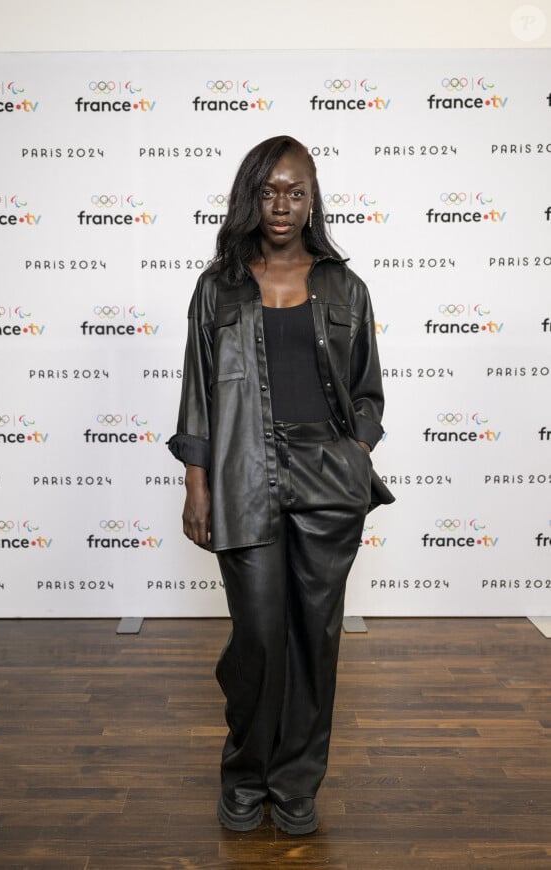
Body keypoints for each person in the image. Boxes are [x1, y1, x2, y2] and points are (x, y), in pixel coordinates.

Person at [168, 135, 394, 836]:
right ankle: (246, 770)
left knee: (314, 637)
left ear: (312, 199)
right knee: (260, 635)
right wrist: (197, 485)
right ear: (250, 195)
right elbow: (199, 395)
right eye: (269, 190)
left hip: (328, 478)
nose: (282, 205)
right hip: (243, 474)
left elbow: (368, 392)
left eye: (296, 192)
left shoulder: (344, 286)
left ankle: (296, 781)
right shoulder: (219, 287)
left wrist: (354, 453)